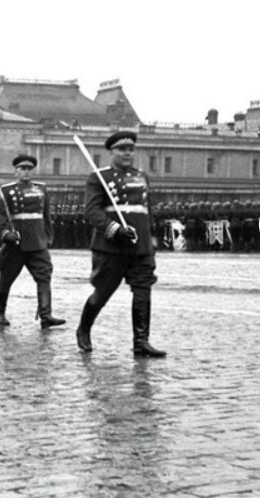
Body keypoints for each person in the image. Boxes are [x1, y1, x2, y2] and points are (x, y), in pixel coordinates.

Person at [76, 131, 166, 358]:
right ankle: (84, 329)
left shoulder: (142, 176)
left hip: (140, 246)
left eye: (130, 149)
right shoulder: (99, 177)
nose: (127, 153)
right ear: (112, 152)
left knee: (143, 290)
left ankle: (141, 342)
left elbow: (148, 210)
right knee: (103, 292)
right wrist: (115, 230)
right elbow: (92, 211)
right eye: (122, 150)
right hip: (111, 247)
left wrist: (151, 237)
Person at [0, 155, 66, 329]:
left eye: (28, 169)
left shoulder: (41, 189)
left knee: (44, 276)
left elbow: (46, 215)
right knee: (6, 279)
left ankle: (46, 315)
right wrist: (5, 234)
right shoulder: (7, 190)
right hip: (15, 244)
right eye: (22, 169)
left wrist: (49, 236)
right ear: (15, 171)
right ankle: (0, 313)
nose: (26, 172)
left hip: (37, 242)